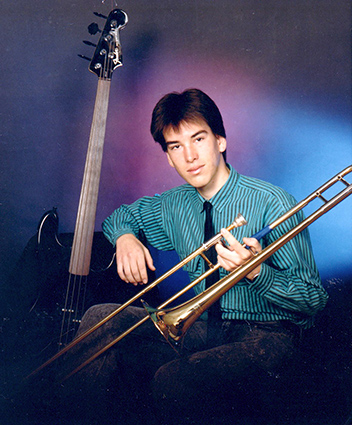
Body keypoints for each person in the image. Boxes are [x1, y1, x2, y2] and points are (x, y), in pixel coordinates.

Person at [61, 88, 328, 424]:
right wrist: (125, 238)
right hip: (202, 326)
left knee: (174, 380)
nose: (189, 156)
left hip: (267, 336)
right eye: (176, 146)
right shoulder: (174, 204)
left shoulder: (273, 202)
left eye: (198, 139)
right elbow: (121, 217)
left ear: (220, 141)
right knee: (101, 320)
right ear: (169, 157)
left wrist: (257, 273)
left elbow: (313, 299)